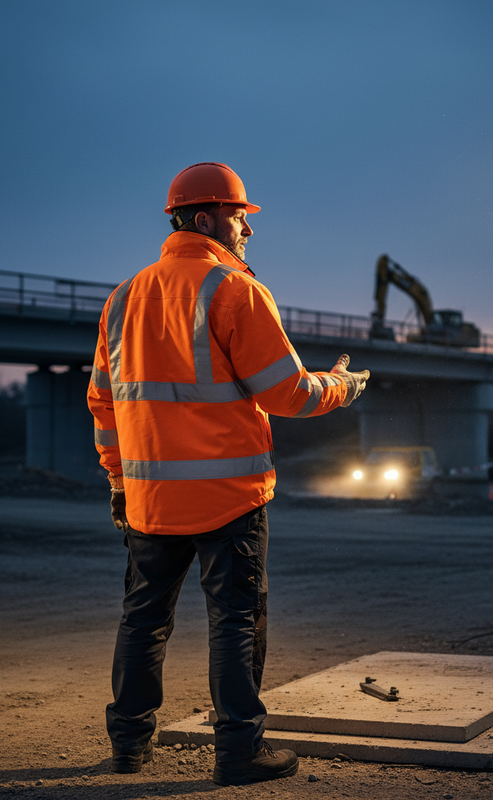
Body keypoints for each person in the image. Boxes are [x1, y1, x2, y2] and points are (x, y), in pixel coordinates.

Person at [86, 162, 370, 786]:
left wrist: (118, 481)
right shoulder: (235, 289)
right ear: (207, 218)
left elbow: (103, 404)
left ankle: (129, 746)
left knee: (142, 619)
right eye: (240, 215)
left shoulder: (124, 297)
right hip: (229, 499)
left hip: (150, 501)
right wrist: (341, 386)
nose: (248, 228)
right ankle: (239, 752)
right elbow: (287, 393)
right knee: (236, 620)